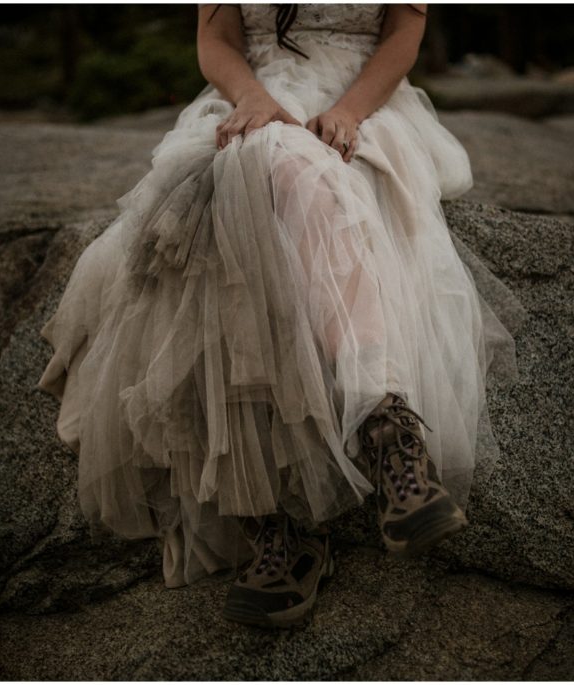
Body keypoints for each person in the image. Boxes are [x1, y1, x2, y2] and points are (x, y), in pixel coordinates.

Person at [37, 3, 525, 629]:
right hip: (259, 93)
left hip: (360, 103)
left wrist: (349, 110)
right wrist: (252, 97)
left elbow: (405, 28)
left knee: (282, 180)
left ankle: (301, 511)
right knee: (238, 182)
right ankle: (359, 450)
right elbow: (216, 38)